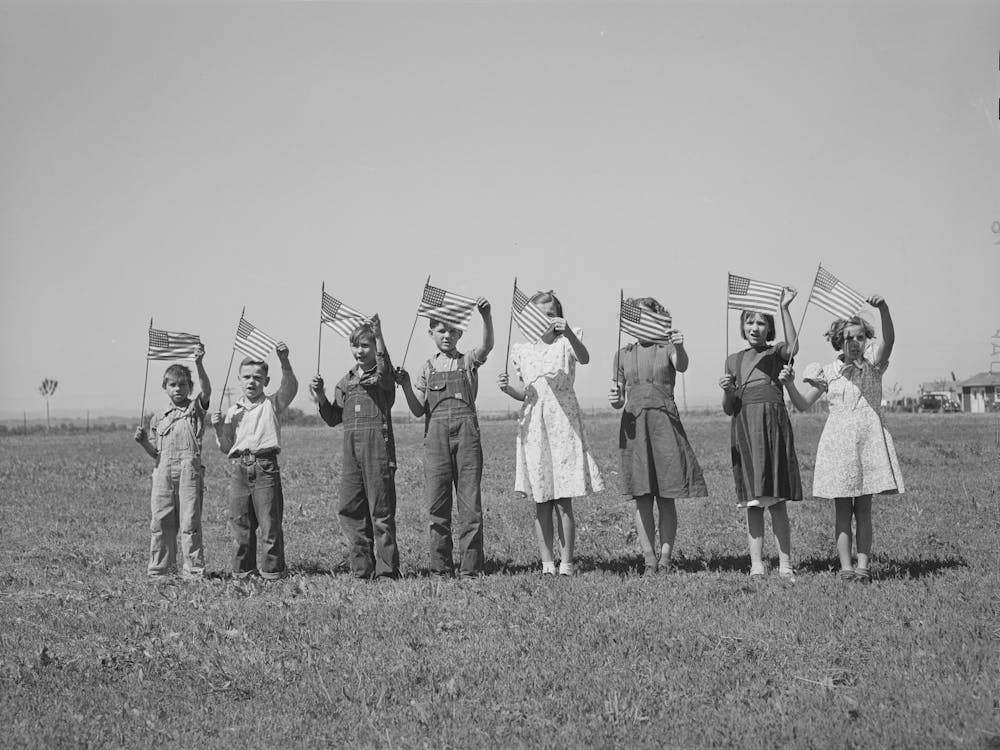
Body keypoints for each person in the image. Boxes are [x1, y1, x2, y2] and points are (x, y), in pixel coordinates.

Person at [780, 296, 902, 582]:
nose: (855, 342)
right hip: (839, 444)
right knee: (843, 510)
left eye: (860, 337)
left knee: (864, 509)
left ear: (866, 340)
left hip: (868, 441)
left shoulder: (873, 364)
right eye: (849, 338)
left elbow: (890, 341)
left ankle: (863, 566)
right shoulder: (828, 372)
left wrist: (883, 309)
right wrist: (788, 384)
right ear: (839, 341)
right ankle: (845, 567)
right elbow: (802, 404)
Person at [497, 290, 604, 576]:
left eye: (550, 314)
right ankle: (546, 563)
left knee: (563, 498)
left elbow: (585, 357)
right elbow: (527, 394)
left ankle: (567, 561)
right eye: (538, 314)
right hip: (534, 428)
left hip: (563, 424)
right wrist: (508, 388)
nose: (545, 320)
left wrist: (567, 331)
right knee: (541, 498)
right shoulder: (523, 349)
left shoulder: (567, 342)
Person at [608, 298, 707, 575]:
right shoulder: (622, 354)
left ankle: (665, 558)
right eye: (638, 318)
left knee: (666, 495)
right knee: (641, 495)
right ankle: (648, 558)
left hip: (664, 423)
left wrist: (680, 345)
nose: (643, 323)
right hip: (634, 426)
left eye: (648, 317)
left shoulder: (668, 349)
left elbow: (683, 365)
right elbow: (617, 398)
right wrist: (615, 398)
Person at [396, 299, 494, 577]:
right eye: (440, 330)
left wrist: (486, 317)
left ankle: (471, 570)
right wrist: (404, 385)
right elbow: (417, 410)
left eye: (452, 331)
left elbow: (487, 347)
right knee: (437, 507)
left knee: (470, 506)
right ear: (430, 333)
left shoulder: (468, 361)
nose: (447, 336)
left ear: (461, 334)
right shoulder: (426, 368)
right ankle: (440, 569)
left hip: (467, 439)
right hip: (436, 442)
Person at [719, 288, 801, 580]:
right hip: (745, 430)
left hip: (772, 428)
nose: (755, 328)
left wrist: (785, 308)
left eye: (761, 323)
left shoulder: (775, 352)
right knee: (753, 503)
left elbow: (793, 348)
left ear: (770, 327)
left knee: (776, 501)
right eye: (749, 322)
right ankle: (756, 564)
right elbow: (729, 408)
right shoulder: (733, 360)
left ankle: (785, 563)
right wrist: (728, 392)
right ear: (742, 326)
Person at [310, 315, 400, 580]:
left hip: (378, 452)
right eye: (355, 346)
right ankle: (362, 569)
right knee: (350, 510)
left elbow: (386, 375)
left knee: (381, 512)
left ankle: (387, 571)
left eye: (366, 346)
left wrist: (380, 334)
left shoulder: (383, 377)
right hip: (351, 455)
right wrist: (320, 395)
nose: (360, 351)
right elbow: (332, 418)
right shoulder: (346, 381)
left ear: (375, 348)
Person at [211, 343, 298, 580]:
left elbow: (290, 388)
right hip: (239, 468)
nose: (252, 382)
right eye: (247, 377)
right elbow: (227, 447)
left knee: (269, 523)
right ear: (239, 380)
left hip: (265, 466)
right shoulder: (232, 411)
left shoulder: (272, 404)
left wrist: (284, 361)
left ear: (266, 381)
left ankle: (272, 572)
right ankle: (243, 573)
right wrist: (219, 428)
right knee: (241, 523)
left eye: (257, 378)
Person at [134, 345, 211, 580]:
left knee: (190, 521)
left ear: (190, 387)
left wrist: (198, 363)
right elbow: (156, 452)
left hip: (189, 470)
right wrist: (143, 442)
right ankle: (160, 571)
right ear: (165, 388)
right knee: (161, 520)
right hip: (163, 472)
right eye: (173, 385)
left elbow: (207, 391)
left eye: (183, 384)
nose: (178, 389)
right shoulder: (158, 418)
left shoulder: (195, 410)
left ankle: (193, 572)